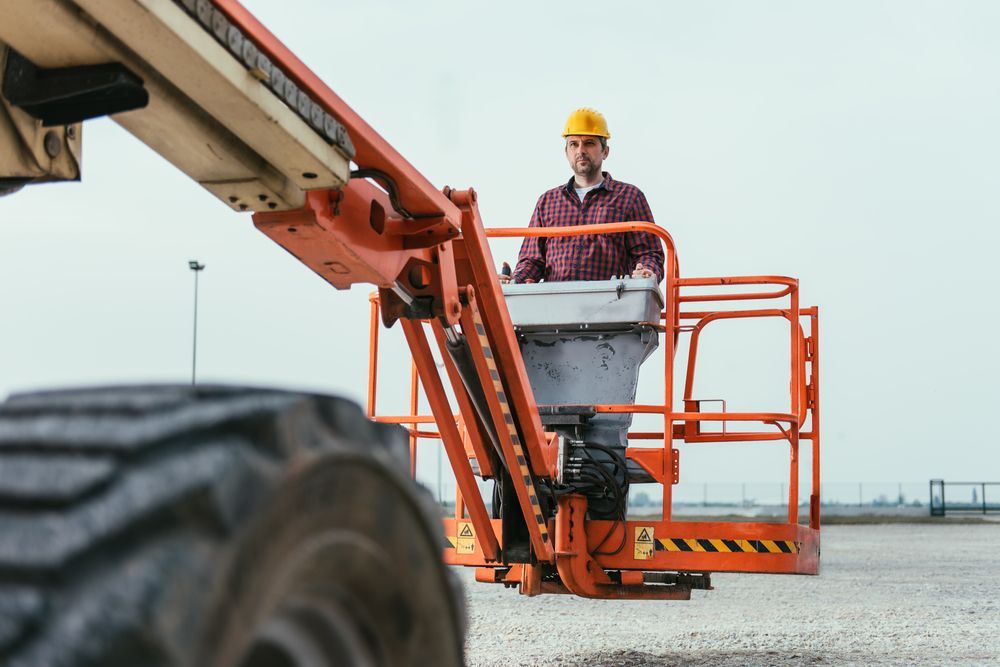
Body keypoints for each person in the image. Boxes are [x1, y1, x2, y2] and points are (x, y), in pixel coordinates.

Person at [501, 108, 664, 284]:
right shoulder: (548, 202)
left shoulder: (629, 197)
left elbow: (648, 254)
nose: (581, 150)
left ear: (605, 151)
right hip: (556, 305)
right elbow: (532, 260)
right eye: (574, 144)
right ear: (566, 152)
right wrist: (515, 279)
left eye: (589, 143)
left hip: (611, 305)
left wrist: (646, 271)